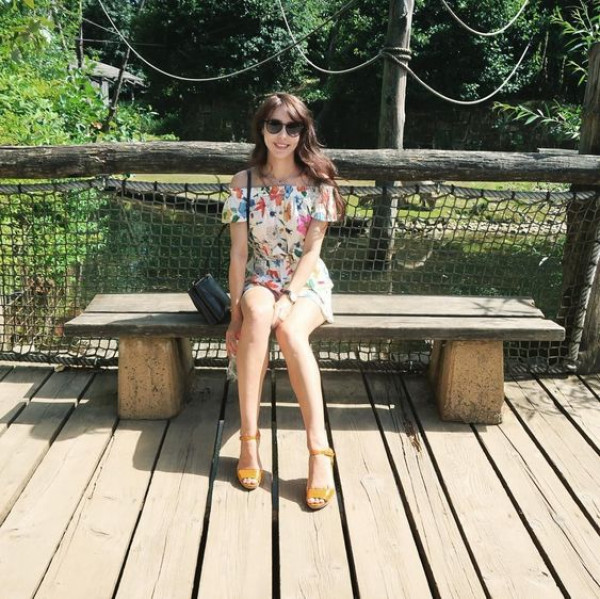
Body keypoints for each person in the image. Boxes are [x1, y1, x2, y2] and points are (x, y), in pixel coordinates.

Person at [222, 92, 344, 510]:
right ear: (261, 128)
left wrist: (290, 295)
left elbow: (312, 252)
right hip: (260, 276)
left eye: (292, 127)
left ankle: (318, 452)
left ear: (302, 132)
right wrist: (235, 313)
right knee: (257, 314)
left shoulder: (320, 183)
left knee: (291, 332)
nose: (283, 135)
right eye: (274, 125)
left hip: (305, 282)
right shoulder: (244, 182)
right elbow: (239, 253)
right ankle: (249, 441)